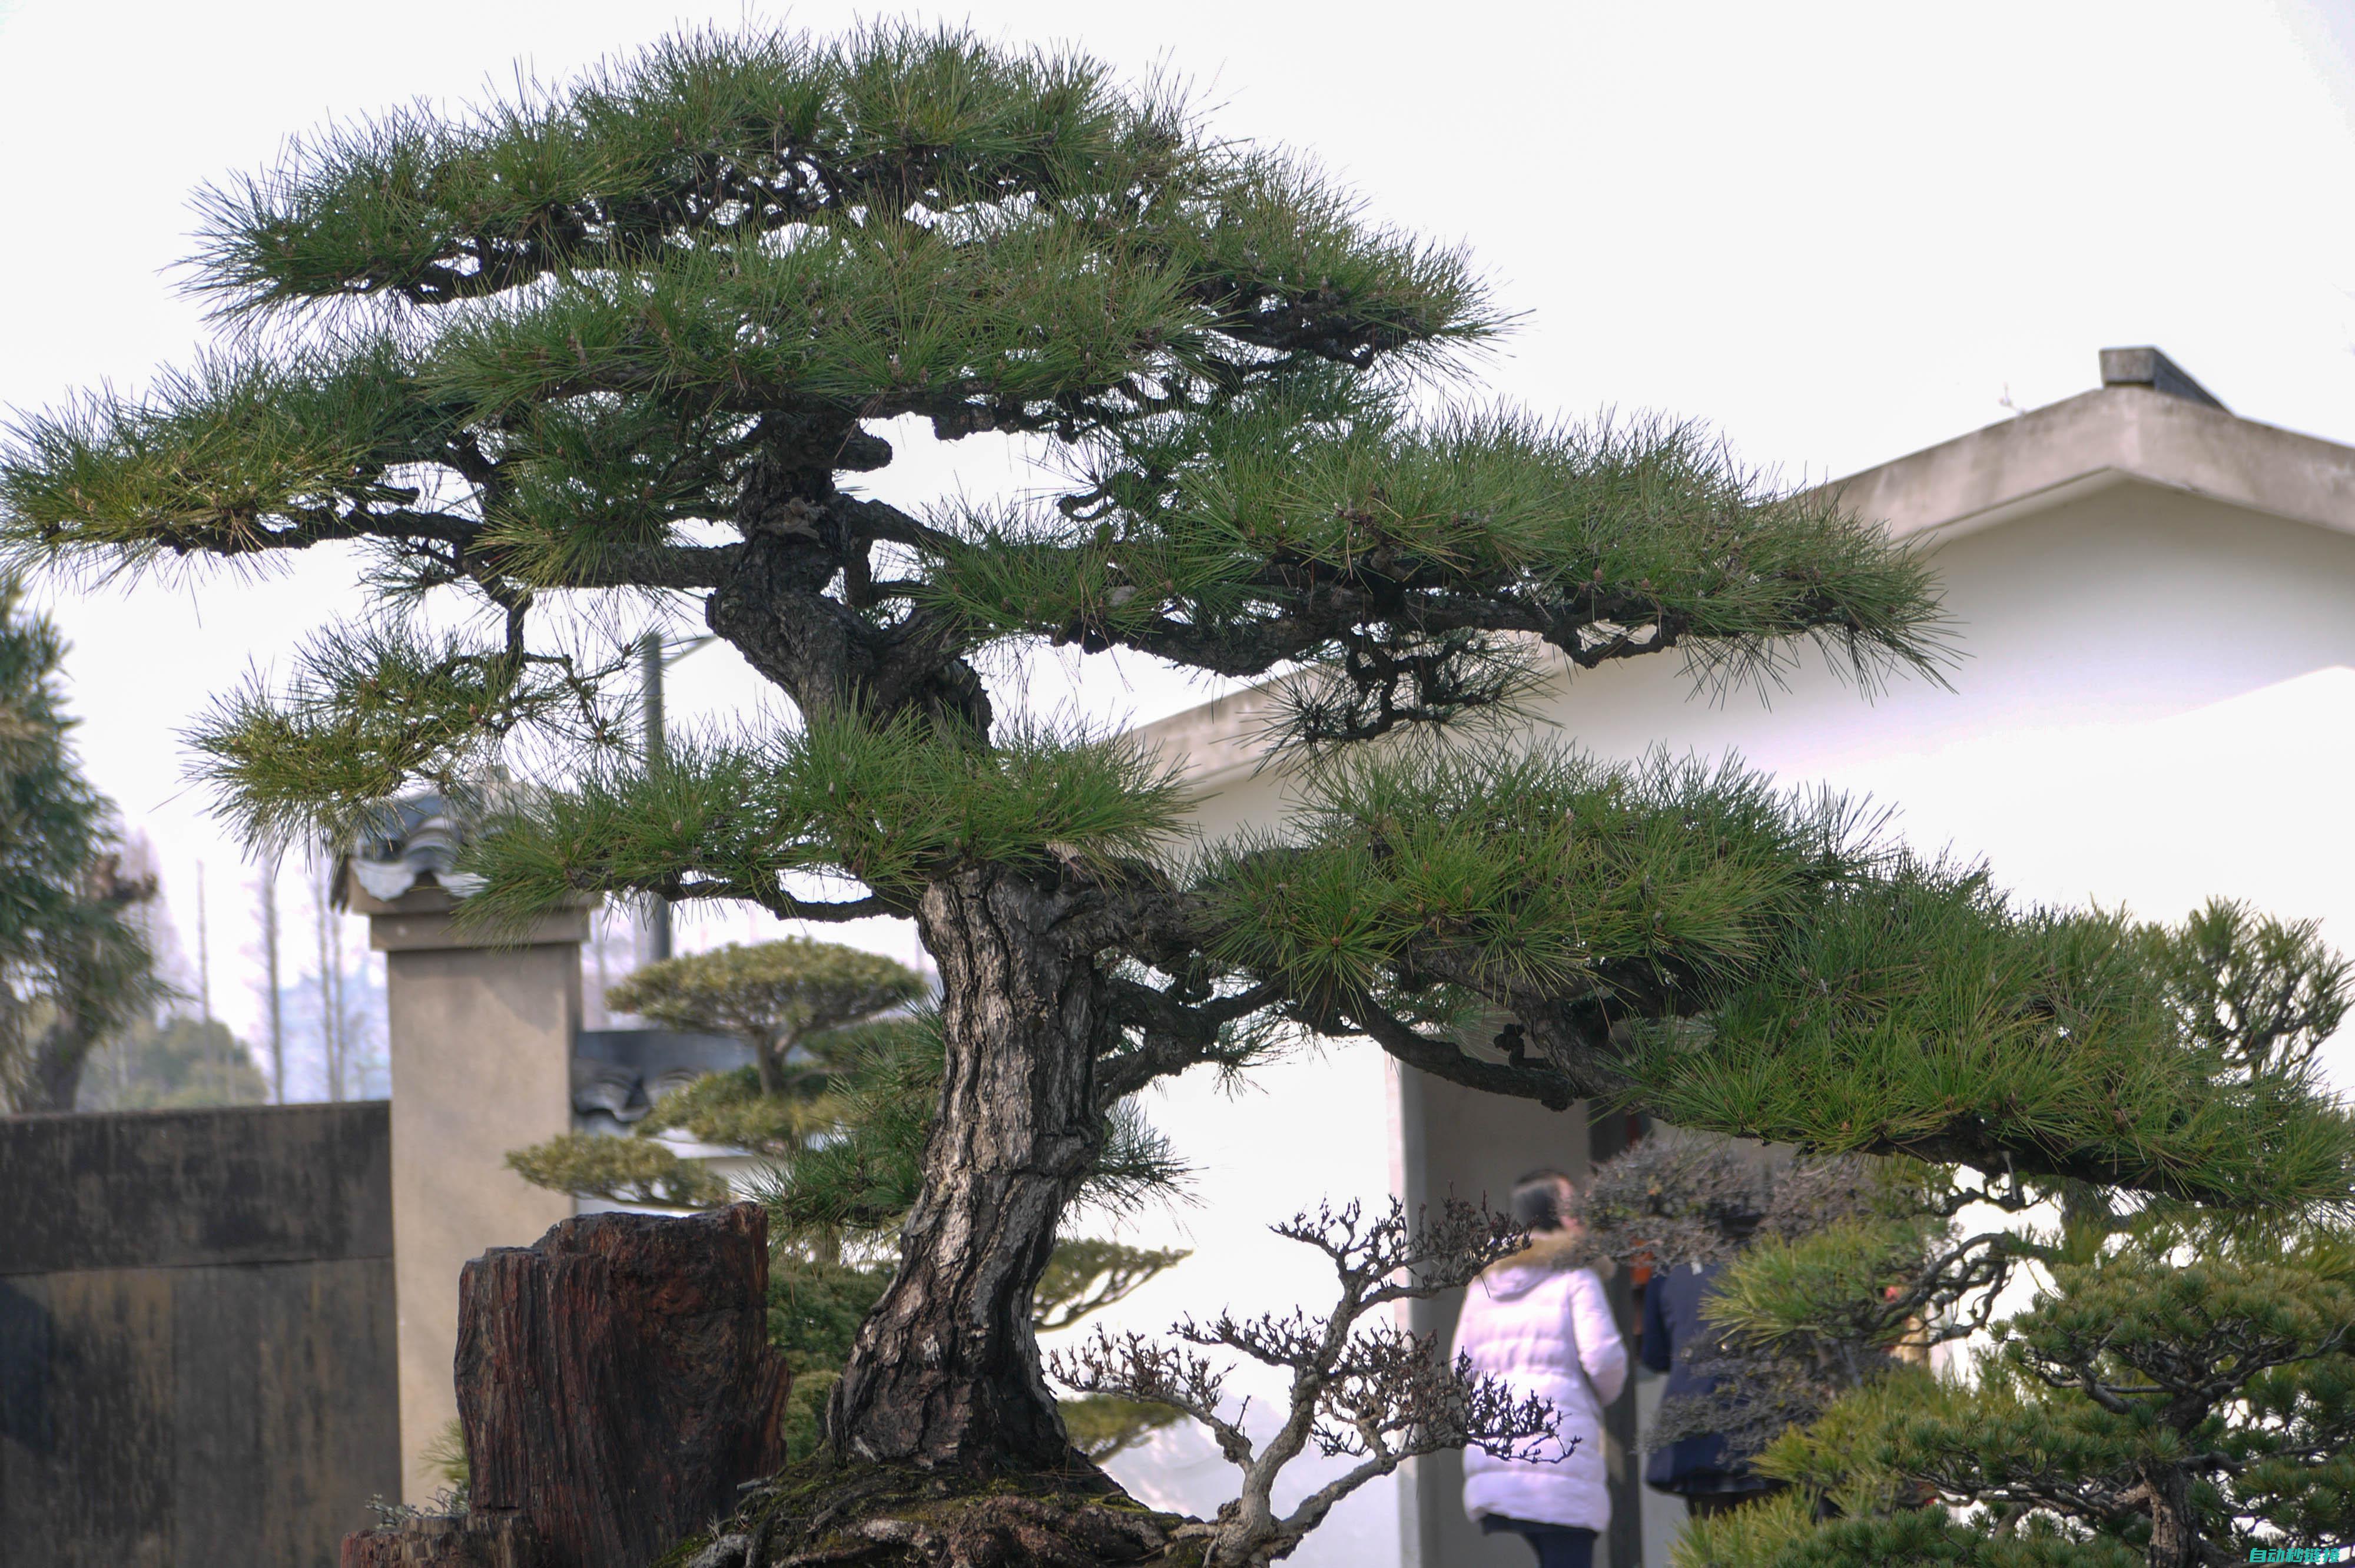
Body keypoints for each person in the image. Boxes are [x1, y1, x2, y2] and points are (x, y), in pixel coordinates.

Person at [1453, 1168, 1629, 1568]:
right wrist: (1593, 1396)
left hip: (1496, 1453)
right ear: (1548, 1211)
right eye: (1571, 1201)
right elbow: (1604, 1359)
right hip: (1559, 1454)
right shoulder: (1575, 1273)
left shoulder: (1485, 1280)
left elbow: (1459, 1366)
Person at [1639, 1258, 1776, 1516]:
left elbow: (1655, 1355)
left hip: (1695, 1418)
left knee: (1712, 1546)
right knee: (1770, 1544)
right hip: (1763, 1417)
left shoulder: (1669, 1268)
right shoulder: (1767, 1255)